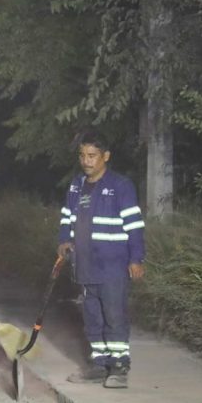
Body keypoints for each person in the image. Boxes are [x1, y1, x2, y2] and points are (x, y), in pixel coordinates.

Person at [59, 129, 145, 389]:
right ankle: (99, 364)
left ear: (105, 156)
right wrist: (64, 240)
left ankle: (119, 367)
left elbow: (135, 226)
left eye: (92, 156)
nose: (86, 161)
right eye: (83, 155)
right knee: (92, 317)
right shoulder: (76, 185)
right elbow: (66, 217)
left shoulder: (121, 186)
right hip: (84, 265)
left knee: (114, 316)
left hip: (113, 267)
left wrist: (136, 258)